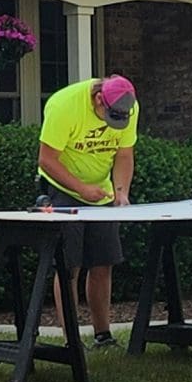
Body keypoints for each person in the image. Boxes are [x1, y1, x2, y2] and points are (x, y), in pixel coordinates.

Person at [36, 73, 138, 347]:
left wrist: (121, 192)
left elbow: (125, 154)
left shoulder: (129, 105)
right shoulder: (64, 105)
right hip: (63, 189)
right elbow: (46, 159)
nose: (114, 123)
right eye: (110, 116)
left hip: (101, 192)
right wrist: (81, 189)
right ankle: (71, 339)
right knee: (69, 265)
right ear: (97, 99)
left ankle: (103, 335)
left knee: (103, 262)